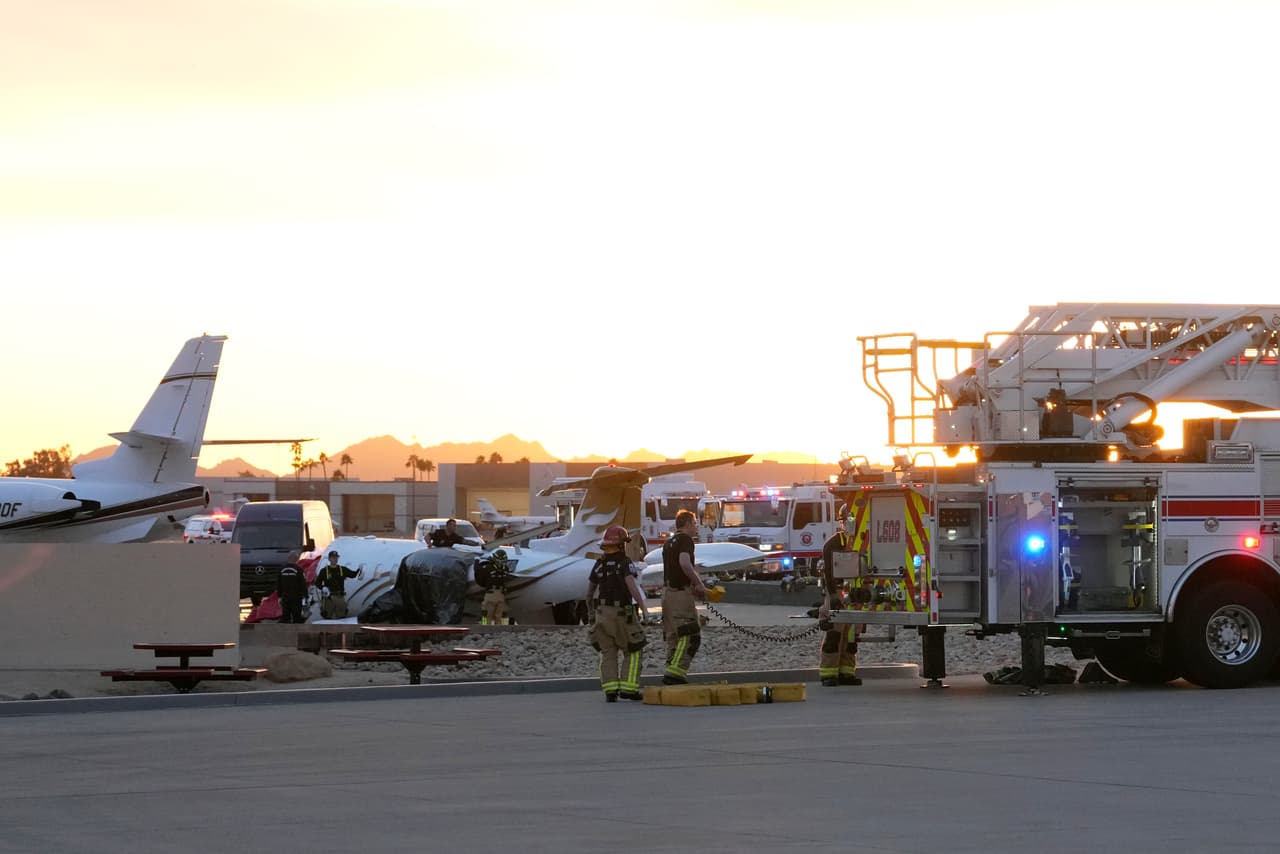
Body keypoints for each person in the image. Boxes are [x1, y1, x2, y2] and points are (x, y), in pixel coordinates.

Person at [587, 525, 647, 702]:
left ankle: (610, 691)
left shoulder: (599, 564)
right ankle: (629, 688)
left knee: (608, 651)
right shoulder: (625, 563)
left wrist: (591, 615)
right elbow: (631, 585)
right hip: (621, 614)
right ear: (622, 545)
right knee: (634, 648)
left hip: (602, 613)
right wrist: (643, 607)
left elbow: (589, 593)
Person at [661, 509, 708, 685]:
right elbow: (684, 563)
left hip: (667, 594)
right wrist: (698, 583)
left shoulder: (668, 543)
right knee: (690, 634)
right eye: (695, 523)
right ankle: (676, 673)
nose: (696, 527)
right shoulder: (685, 540)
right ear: (687, 524)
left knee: (674, 636)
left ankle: (670, 669)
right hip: (680, 594)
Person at [817, 504, 862, 687]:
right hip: (838, 592)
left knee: (852, 637)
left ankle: (847, 672)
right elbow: (828, 572)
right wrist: (833, 595)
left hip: (857, 595)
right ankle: (828, 673)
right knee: (834, 635)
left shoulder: (863, 542)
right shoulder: (833, 544)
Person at [314, 550, 361, 620]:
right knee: (327, 617)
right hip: (329, 598)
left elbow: (353, 575)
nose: (335, 559)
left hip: (340, 597)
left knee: (342, 617)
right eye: (333, 557)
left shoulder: (342, 569)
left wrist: (359, 569)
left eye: (336, 557)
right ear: (329, 559)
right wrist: (323, 587)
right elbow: (317, 582)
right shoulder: (324, 571)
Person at [478, 549, 513, 625]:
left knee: (500, 613)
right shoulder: (488, 568)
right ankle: (485, 627)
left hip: (501, 593)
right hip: (491, 592)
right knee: (488, 613)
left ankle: (500, 628)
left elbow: (505, 580)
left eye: (502, 560)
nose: (500, 562)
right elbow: (481, 579)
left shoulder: (505, 569)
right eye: (499, 560)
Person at [276, 551, 309, 624]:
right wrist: (306, 596)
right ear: (296, 559)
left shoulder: (281, 569)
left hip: (285, 597)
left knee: (285, 617)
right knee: (297, 617)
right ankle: (296, 630)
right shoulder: (299, 569)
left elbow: (278, 584)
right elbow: (303, 584)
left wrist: (279, 596)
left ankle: (285, 630)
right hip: (296, 598)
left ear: (288, 558)